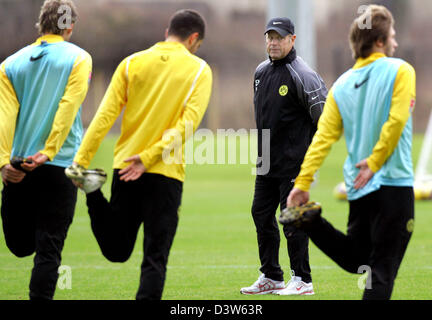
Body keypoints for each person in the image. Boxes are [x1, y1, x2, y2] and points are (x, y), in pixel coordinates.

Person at [65, 9, 212, 300]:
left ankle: (93, 192)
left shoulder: (131, 63)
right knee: (154, 260)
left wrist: (80, 160)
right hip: (165, 174)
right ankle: (94, 193)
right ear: (194, 38)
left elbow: (103, 118)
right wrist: (151, 156)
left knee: (116, 250)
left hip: (126, 168)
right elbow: (187, 126)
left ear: (167, 31)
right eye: (198, 44)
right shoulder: (199, 70)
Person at [283, 5, 416, 300]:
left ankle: (310, 221)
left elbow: (323, 139)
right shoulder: (401, 70)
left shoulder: (341, 84)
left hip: (360, 189)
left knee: (359, 261)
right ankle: (310, 222)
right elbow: (396, 121)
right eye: (391, 36)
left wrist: (302, 183)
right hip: (393, 186)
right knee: (380, 272)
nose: (395, 42)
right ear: (379, 42)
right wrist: (376, 161)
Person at [0, 0, 91, 300]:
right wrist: (50, 150)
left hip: (19, 165)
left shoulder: (10, 64)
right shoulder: (79, 58)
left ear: (41, 23)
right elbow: (68, 107)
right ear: (71, 26)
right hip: (59, 164)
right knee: (48, 248)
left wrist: (2, 163)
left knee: (19, 244)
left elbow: (4, 117)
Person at [240, 17, 327, 296]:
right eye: (269, 37)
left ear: (292, 39)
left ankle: (302, 280)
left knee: (291, 219)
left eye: (279, 37)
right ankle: (271, 276)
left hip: (294, 164)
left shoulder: (304, 74)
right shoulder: (260, 72)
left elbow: (324, 123)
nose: (273, 42)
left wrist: (310, 162)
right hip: (266, 162)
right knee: (260, 214)